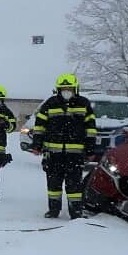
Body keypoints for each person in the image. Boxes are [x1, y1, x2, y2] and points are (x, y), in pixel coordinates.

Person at [30, 73, 99, 219]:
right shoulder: (50, 103)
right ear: (58, 89)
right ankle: (53, 210)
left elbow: (91, 129)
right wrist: (37, 144)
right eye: (63, 88)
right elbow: (40, 126)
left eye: (69, 88)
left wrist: (90, 149)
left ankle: (76, 212)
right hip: (53, 154)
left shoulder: (84, 104)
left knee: (74, 185)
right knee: (53, 184)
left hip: (75, 155)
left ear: (75, 89)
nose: (66, 91)